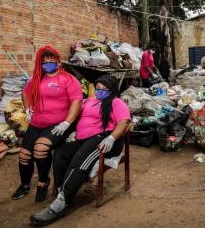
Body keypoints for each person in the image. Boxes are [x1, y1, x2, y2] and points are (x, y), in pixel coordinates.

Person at [30, 75, 131, 226]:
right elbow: (77, 114)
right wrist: (73, 130)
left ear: (112, 90)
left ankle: (62, 201)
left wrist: (111, 138)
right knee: (60, 154)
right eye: (98, 88)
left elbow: (124, 122)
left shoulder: (117, 103)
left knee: (80, 161)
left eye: (104, 89)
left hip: (103, 139)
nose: (100, 91)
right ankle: (61, 191)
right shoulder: (89, 100)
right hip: (81, 137)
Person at [11, 46, 82, 202]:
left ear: (58, 61)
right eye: (44, 62)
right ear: (40, 64)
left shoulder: (68, 79)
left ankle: (43, 183)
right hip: (36, 122)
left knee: (40, 149)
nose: (48, 64)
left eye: (51, 61)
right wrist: (27, 108)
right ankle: (24, 185)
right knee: (24, 155)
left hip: (58, 123)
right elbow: (25, 92)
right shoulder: (37, 78)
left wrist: (66, 122)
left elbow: (77, 101)